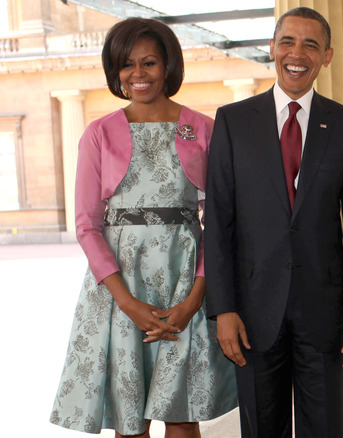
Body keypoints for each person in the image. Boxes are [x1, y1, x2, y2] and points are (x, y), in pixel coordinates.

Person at [49, 17, 237, 438]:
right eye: (127, 64)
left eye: (149, 62)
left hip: (185, 285)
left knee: (182, 415)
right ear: (115, 71)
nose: (138, 74)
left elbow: (221, 223)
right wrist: (128, 303)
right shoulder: (99, 134)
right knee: (129, 421)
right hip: (120, 290)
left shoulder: (203, 129)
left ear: (168, 65)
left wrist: (193, 300)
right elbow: (85, 225)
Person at [204, 6, 343, 438]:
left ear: (327, 56)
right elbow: (218, 223)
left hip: (325, 312)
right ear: (272, 48)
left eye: (310, 45)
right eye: (288, 41)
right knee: (263, 428)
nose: (297, 53)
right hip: (252, 311)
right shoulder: (232, 121)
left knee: (326, 428)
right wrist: (223, 308)